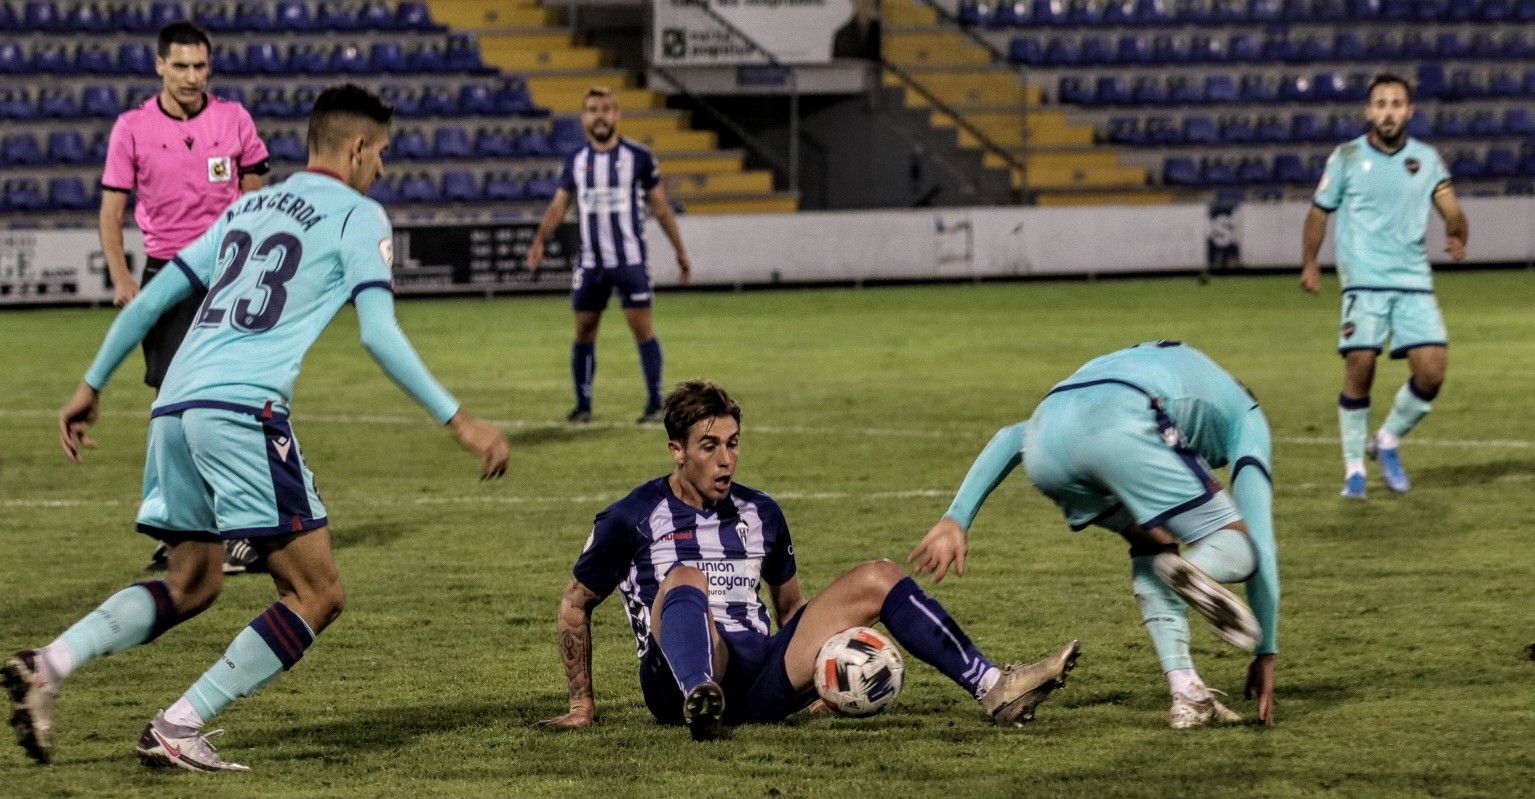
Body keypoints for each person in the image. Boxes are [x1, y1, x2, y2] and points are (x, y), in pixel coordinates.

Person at [4, 84, 511, 773]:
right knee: (317, 592)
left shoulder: (248, 207)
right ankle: (179, 724)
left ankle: (50, 663)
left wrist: (90, 385)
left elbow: (152, 299)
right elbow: (380, 334)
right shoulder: (359, 215)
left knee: (193, 580)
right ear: (358, 147)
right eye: (382, 153)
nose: (383, 168)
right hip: (243, 410)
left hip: (175, 405)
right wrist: (461, 420)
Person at [537, 379, 1080, 740]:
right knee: (684, 576)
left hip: (759, 674)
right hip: (674, 684)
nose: (725, 459)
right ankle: (701, 699)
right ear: (676, 450)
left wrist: (823, 674)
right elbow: (573, 605)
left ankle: (995, 689)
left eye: (733, 443)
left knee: (879, 575)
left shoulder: (761, 512)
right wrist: (583, 703)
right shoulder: (630, 517)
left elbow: (791, 604)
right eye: (709, 446)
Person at [910, 342, 1281, 728]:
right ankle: (1193, 572)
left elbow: (1010, 437)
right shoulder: (1248, 415)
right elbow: (1262, 541)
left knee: (1153, 541)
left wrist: (956, 518)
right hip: (1124, 422)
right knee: (1238, 543)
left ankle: (1188, 693)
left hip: (1046, 442)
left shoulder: (1168, 367)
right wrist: (1266, 650)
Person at [99, 21, 270, 573]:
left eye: (200, 66)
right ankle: (185, 530)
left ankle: (241, 530)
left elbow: (255, 187)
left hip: (226, 279)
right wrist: (124, 278)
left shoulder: (233, 119)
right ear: (159, 66)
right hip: (166, 278)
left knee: (232, 404)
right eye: (181, 66)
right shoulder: (132, 128)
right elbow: (112, 211)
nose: (192, 76)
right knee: (173, 411)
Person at [1300, 72, 1469, 500]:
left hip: (1413, 280)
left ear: (1409, 111)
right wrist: (1310, 263)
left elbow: (1452, 208)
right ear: (1368, 111)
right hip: (1364, 281)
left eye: (1396, 104)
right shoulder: (1347, 157)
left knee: (1432, 372)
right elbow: (1319, 212)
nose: (1388, 112)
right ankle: (1355, 469)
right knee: (1360, 366)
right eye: (1380, 104)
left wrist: (1455, 229)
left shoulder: (1427, 159)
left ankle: (1388, 440)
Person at [526, 87, 692, 425]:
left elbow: (660, 207)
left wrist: (680, 251)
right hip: (591, 263)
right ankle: (583, 405)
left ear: (617, 114)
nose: (599, 115)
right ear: (584, 118)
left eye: (605, 109)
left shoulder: (640, 157)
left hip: (629, 260)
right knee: (584, 330)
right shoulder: (576, 159)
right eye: (592, 110)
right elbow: (560, 204)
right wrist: (540, 239)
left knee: (642, 329)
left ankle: (654, 402)